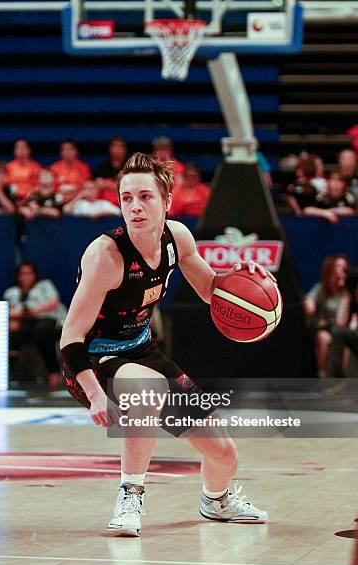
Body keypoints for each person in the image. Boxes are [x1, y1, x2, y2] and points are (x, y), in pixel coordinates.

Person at [60, 152, 274, 537]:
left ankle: (216, 500)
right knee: (146, 390)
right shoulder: (106, 256)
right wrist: (93, 395)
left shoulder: (178, 238)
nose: (135, 207)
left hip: (140, 350)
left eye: (145, 197)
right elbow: (70, 337)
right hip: (93, 359)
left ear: (167, 202)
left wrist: (242, 278)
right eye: (127, 198)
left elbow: (211, 290)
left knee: (223, 454)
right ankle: (130, 493)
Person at [4, 261, 67, 390]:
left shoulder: (45, 286)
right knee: (14, 333)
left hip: (48, 321)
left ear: (35, 274)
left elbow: (54, 302)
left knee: (42, 331)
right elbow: (7, 310)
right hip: (23, 323)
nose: (26, 276)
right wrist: (15, 317)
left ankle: (53, 373)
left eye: (29, 273)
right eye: (22, 273)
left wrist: (32, 311)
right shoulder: (12, 292)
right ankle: (10, 375)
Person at [304, 255, 350, 377]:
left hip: (343, 330)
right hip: (326, 328)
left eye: (345, 267)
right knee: (322, 337)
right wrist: (309, 303)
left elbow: (341, 322)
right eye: (339, 266)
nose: (343, 270)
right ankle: (324, 376)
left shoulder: (347, 292)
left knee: (345, 345)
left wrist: (347, 295)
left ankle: (344, 380)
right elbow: (309, 300)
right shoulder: (321, 289)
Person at [328, 268, 358, 377]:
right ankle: (334, 381)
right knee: (338, 332)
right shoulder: (351, 299)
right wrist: (347, 294)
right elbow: (339, 325)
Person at [95, 136, 128, 205]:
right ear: (110, 149)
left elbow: (130, 185)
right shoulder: (103, 165)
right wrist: (116, 185)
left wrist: (109, 183)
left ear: (125, 150)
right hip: (105, 201)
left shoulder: (130, 166)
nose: (118, 149)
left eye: (121, 146)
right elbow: (98, 184)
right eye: (115, 146)